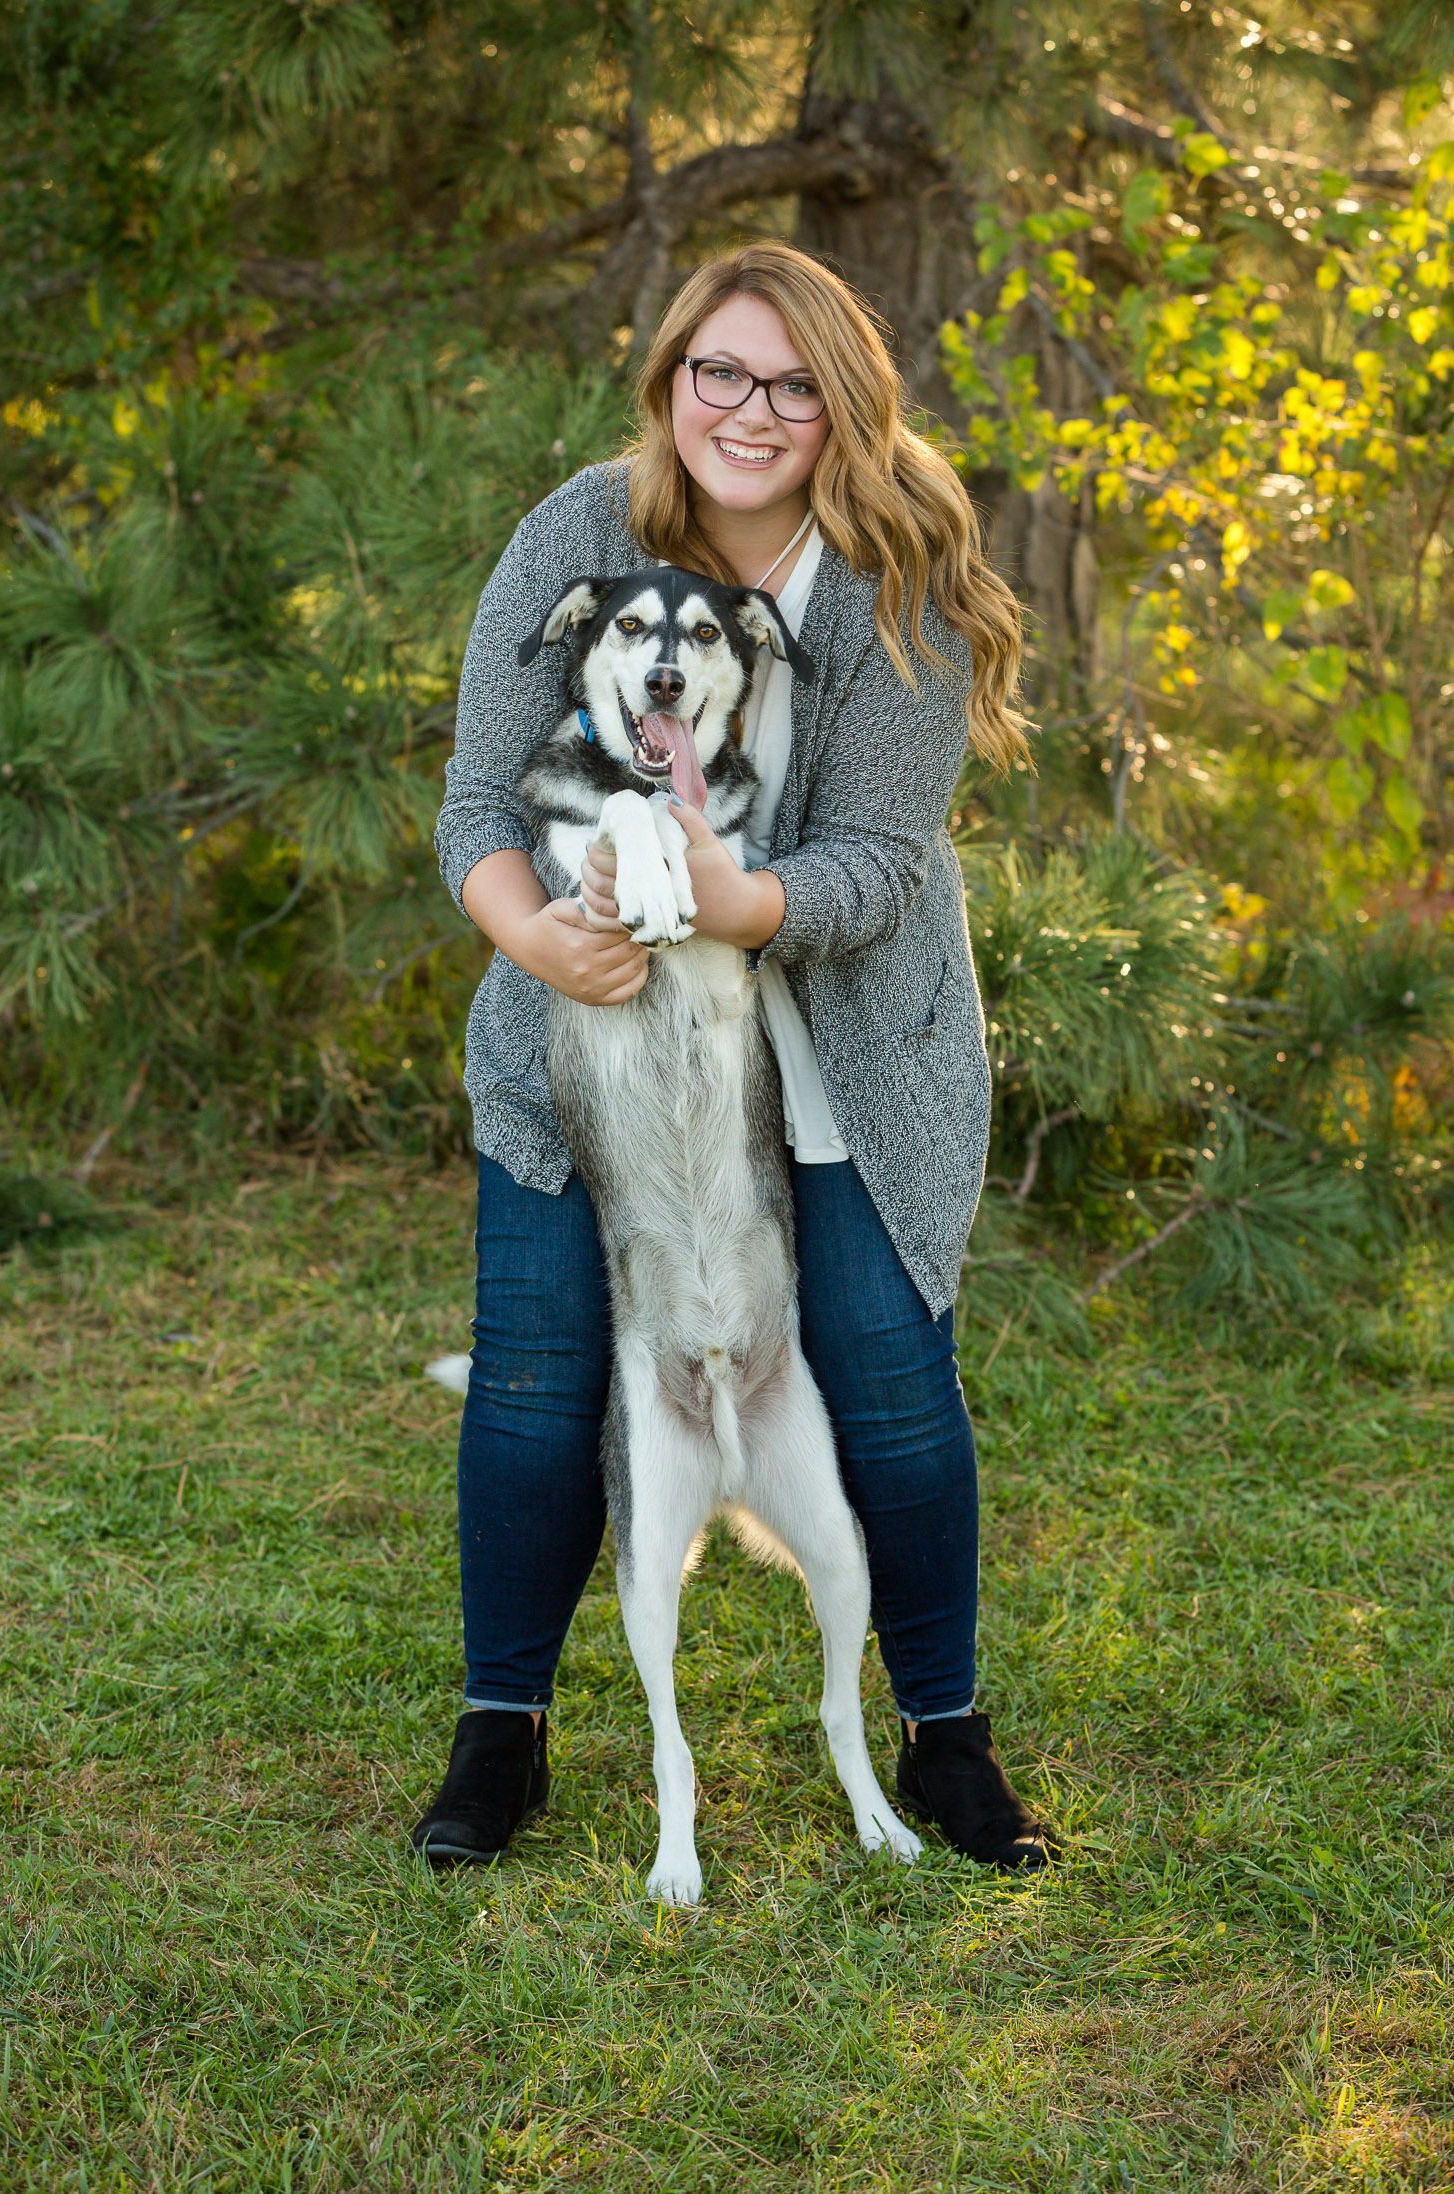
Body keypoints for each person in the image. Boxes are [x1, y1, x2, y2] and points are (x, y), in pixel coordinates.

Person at [413, 240, 1056, 1878]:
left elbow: (881, 863)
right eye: (719, 373)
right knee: (545, 1375)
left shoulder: (898, 567)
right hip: (601, 1032)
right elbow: (479, 801)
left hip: (835, 1033)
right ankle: (503, 1734)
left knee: (888, 1385)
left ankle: (950, 1736)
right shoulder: (580, 528)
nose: (750, 412)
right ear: (668, 382)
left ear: (844, 407)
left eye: (792, 384)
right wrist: (537, 936)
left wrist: (737, 896)